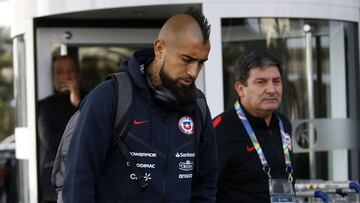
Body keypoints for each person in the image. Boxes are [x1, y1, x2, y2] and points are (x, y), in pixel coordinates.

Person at [62, 8, 218, 203]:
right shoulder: (109, 98)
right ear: (160, 48)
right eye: (186, 59)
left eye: (201, 62)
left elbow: (206, 185)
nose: (194, 72)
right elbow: (78, 183)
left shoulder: (197, 107)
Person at [213, 51, 295, 203]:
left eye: (276, 81)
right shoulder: (220, 130)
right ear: (240, 89)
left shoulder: (283, 124)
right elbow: (205, 190)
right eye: (261, 82)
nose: (271, 89)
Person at [37, 55, 82, 203]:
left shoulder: (90, 100)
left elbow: (93, 135)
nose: (66, 76)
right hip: (54, 184)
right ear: (52, 77)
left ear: (79, 74)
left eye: (70, 71)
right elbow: (52, 142)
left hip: (84, 177)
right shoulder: (45, 106)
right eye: (60, 72)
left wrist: (77, 103)